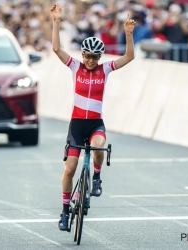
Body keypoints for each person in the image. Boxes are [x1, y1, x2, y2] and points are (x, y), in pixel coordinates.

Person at [50, 4, 136, 231]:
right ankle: (66, 211)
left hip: (95, 123)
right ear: (82, 55)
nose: (90, 61)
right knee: (69, 170)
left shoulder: (105, 69)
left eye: (95, 57)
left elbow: (129, 56)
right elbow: (57, 49)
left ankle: (96, 178)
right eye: (88, 56)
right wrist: (56, 21)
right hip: (77, 125)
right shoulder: (75, 67)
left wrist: (128, 34)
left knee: (99, 148)